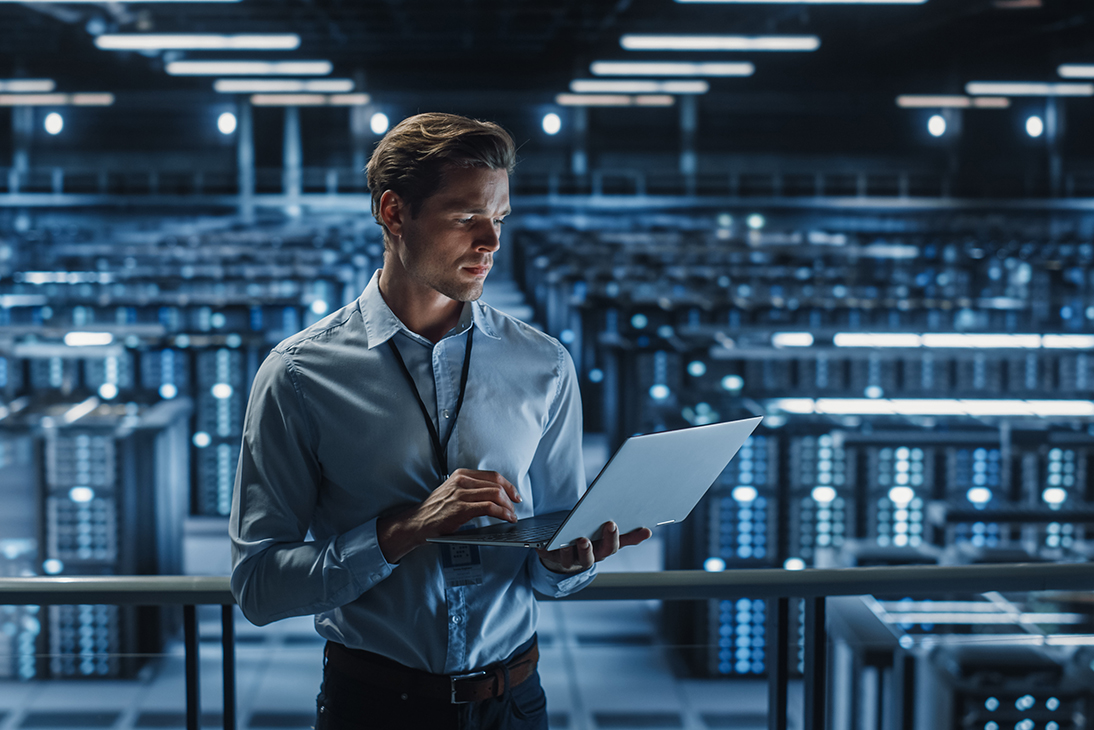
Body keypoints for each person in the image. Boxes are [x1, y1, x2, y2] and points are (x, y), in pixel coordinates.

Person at [229, 112, 651, 730]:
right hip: (374, 708)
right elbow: (259, 587)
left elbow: (549, 556)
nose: (492, 242)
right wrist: (404, 530)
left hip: (515, 703)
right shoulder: (299, 374)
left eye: (499, 219)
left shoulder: (544, 364)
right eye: (466, 218)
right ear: (393, 212)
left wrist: (568, 564)